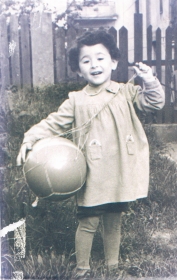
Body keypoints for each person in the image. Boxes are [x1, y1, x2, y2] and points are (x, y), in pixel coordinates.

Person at [17, 30, 165, 279]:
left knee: (114, 219)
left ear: (114, 63)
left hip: (119, 169)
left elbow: (154, 102)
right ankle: (82, 270)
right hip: (93, 171)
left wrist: (149, 80)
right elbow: (52, 123)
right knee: (88, 221)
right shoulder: (76, 100)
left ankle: (113, 268)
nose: (94, 65)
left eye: (100, 58)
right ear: (78, 69)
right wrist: (30, 139)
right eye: (86, 61)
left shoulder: (125, 92)